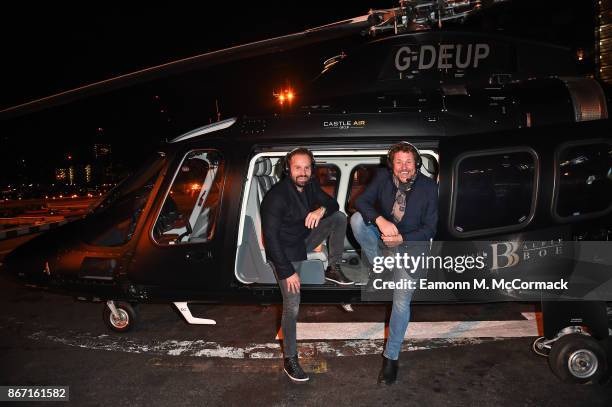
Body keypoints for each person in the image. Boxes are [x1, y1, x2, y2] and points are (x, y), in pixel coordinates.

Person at [261, 147, 354, 382]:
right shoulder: (276, 197)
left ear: (311, 169)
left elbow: (333, 205)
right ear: (287, 169)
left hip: (302, 239)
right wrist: (287, 271)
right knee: (292, 306)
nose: (302, 172)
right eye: (297, 167)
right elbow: (271, 240)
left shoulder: (310, 186)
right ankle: (290, 359)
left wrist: (320, 209)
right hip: (285, 251)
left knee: (339, 217)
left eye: (306, 167)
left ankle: (333, 266)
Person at [351, 142, 438, 385]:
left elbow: (430, 229)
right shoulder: (383, 178)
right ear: (392, 164)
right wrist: (380, 220)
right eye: (398, 162)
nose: (403, 167)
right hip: (386, 239)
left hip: (412, 245)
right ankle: (380, 265)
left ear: (416, 164)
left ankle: (391, 357)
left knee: (400, 302)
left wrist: (402, 238)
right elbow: (361, 203)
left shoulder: (429, 188)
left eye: (408, 162)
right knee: (358, 220)